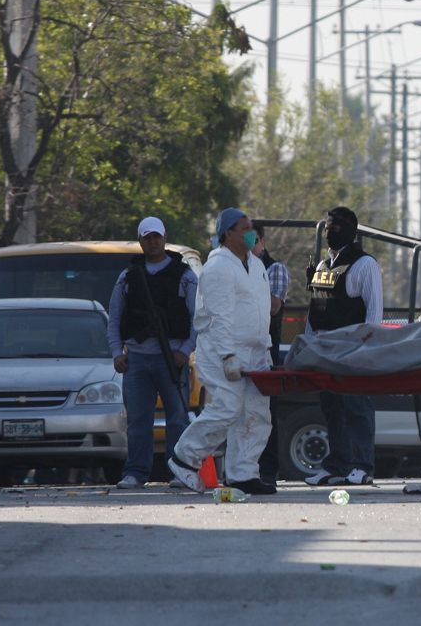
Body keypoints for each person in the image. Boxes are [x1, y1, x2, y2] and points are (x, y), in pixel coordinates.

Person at [167, 208, 276, 495]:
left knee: (256, 412)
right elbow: (220, 317)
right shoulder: (218, 268)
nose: (251, 232)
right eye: (245, 228)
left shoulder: (256, 265)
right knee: (227, 406)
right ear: (228, 233)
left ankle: (243, 473)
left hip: (255, 352)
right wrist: (228, 355)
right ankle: (185, 457)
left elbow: (260, 311)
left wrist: (265, 350)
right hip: (221, 349)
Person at [106, 217, 197, 489]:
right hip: (136, 360)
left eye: (156, 236)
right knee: (138, 420)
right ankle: (135, 472)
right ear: (141, 241)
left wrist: (184, 351)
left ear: (164, 237)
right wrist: (116, 353)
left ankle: (178, 471)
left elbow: (199, 319)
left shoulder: (185, 275)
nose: (153, 241)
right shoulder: (127, 277)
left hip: (171, 359)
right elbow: (114, 319)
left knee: (177, 418)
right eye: (147, 237)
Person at [303, 207, 383, 487]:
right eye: (326, 227)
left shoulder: (365, 265)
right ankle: (336, 465)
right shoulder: (323, 267)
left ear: (350, 230)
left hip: (353, 350)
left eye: (335, 227)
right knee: (332, 408)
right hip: (326, 352)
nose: (329, 232)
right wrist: (309, 348)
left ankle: (362, 466)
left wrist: (366, 350)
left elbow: (374, 314)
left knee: (357, 407)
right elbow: (315, 312)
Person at [253, 226, 289, 486]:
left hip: (266, 350)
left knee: (266, 412)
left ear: (262, 242)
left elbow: (274, 307)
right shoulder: (233, 268)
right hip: (241, 350)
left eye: (252, 239)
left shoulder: (273, 269)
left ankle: (268, 471)